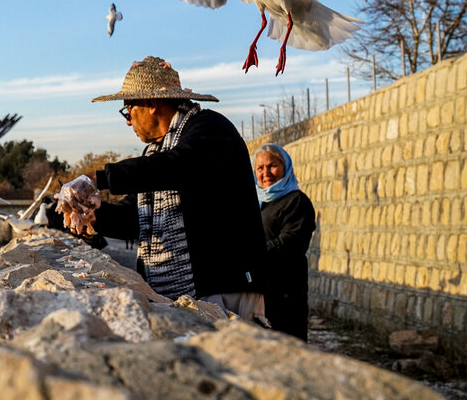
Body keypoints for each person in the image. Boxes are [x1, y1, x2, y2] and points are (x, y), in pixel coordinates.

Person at [55, 56, 267, 321]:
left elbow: (176, 166)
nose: (128, 121)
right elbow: (137, 218)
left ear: (151, 104)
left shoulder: (210, 128)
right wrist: (93, 215)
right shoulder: (156, 151)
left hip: (222, 286)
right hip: (183, 292)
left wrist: (97, 179)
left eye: (128, 111)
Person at [253, 143, 316, 340]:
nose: (266, 173)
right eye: (260, 168)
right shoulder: (259, 202)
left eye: (272, 166)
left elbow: (291, 242)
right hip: (261, 291)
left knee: (288, 345)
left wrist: (252, 254)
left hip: (286, 290)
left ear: (285, 167)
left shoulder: (296, 201)